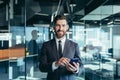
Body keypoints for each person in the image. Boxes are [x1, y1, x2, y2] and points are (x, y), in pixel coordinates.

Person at [39, 15, 83, 80]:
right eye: (58, 25)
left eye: (63, 25)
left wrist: (76, 69)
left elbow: (81, 66)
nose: (60, 28)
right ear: (54, 27)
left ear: (67, 27)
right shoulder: (46, 45)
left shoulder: (74, 46)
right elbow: (41, 67)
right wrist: (55, 64)